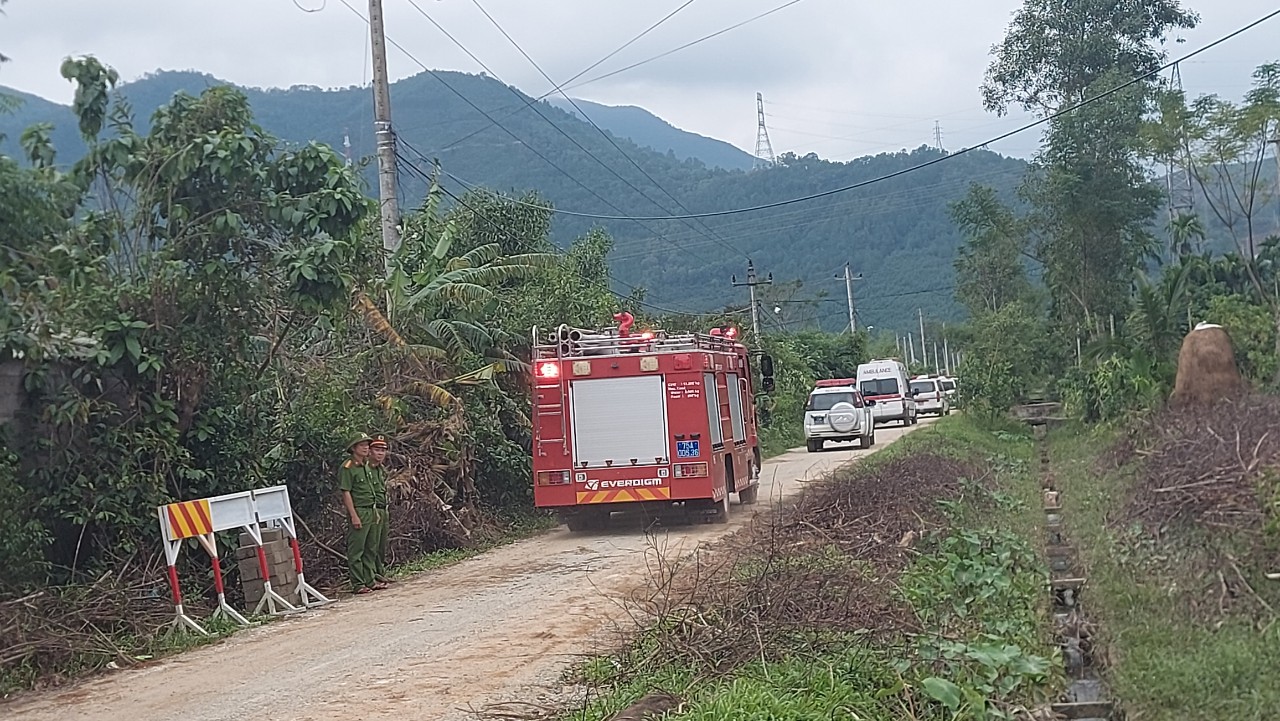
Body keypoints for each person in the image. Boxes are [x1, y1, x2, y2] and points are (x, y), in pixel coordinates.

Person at [338, 433, 377, 594]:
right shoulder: (348, 467)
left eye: (367, 445)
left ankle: (370, 580)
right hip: (359, 510)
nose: (366, 448)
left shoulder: (366, 465)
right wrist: (354, 515)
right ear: (353, 448)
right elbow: (346, 492)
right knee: (357, 550)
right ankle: (358, 583)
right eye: (362, 445)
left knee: (370, 547)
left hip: (371, 509)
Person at [367, 433, 391, 589]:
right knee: (371, 546)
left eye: (383, 450)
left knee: (381, 545)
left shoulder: (380, 470)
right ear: (370, 451)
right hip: (373, 511)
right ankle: (370, 577)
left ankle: (380, 573)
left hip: (383, 510)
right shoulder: (366, 468)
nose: (380, 453)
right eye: (377, 449)